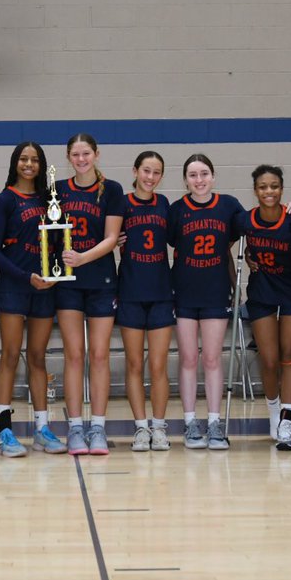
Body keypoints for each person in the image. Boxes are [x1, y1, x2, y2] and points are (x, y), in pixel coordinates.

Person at [0, 142, 68, 457]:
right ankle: (3, 431)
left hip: (45, 288)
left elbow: (61, 240)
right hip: (13, 286)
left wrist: (56, 273)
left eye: (35, 160)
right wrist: (25, 277)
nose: (29, 164)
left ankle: (41, 429)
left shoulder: (51, 200)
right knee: (9, 354)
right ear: (14, 162)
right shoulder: (5, 200)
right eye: (24, 159)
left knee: (38, 357)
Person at [168, 153, 244, 451]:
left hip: (215, 290)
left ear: (213, 176)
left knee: (212, 358)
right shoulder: (177, 210)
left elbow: (251, 226)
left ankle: (214, 422)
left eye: (203, 174)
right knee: (188, 358)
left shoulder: (229, 206)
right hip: (184, 291)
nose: (198, 180)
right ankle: (190, 423)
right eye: (192, 175)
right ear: (185, 180)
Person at [56, 133, 125, 456]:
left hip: (100, 279)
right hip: (67, 281)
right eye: (75, 155)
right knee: (74, 355)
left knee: (99, 355)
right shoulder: (57, 190)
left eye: (86, 154)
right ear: (69, 157)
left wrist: (83, 257)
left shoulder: (111, 190)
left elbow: (112, 238)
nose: (81, 159)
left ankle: (97, 426)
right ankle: (74, 428)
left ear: (97, 155)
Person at [236, 165, 291, 452]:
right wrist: (242, 268)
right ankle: (273, 411)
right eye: (263, 187)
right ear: (255, 190)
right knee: (268, 359)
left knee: (289, 357)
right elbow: (227, 247)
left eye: (274, 186)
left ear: (281, 188)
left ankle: (287, 420)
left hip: (290, 293)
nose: (269, 191)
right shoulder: (244, 220)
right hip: (261, 293)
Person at [118, 151, 174, 452]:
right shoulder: (123, 203)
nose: (150, 177)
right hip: (130, 291)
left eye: (156, 172)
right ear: (135, 171)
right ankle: (140, 428)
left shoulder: (165, 205)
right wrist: (113, 240)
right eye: (146, 171)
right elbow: (106, 236)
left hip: (161, 293)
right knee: (134, 363)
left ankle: (159, 427)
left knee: (159, 365)